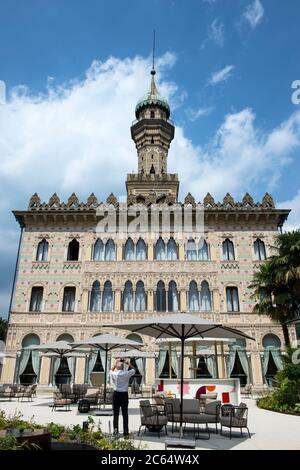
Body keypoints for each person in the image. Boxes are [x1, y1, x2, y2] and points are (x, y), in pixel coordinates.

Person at [109, 359, 135, 437]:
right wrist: (129, 364)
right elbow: (134, 370)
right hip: (124, 395)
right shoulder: (126, 373)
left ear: (117, 367)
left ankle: (115, 431)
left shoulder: (113, 373)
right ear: (123, 367)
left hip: (116, 394)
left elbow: (110, 370)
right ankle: (126, 433)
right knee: (125, 414)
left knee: (115, 414)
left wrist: (115, 363)